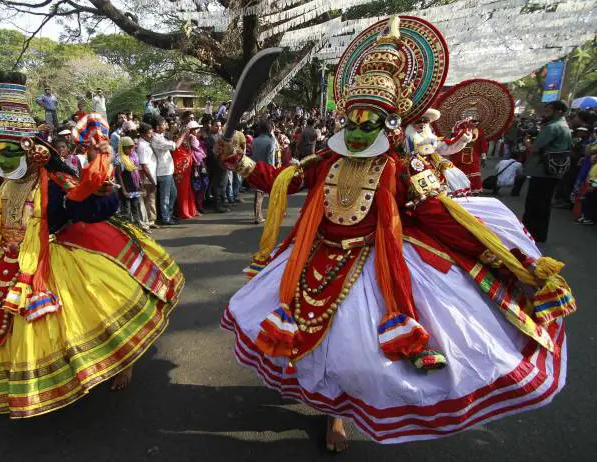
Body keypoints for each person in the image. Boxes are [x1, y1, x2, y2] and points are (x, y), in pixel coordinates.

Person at [215, 16, 573, 450]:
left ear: (390, 124)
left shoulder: (400, 169)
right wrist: (237, 160)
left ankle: (342, 416)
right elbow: (281, 181)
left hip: (376, 263)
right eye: (354, 118)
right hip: (315, 258)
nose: (360, 128)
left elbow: (440, 217)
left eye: (371, 120)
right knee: (321, 350)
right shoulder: (327, 160)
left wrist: (509, 259)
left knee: (359, 359)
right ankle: (332, 412)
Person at [0, 71, 184, 418]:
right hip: (2, 260)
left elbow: (93, 208)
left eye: (9, 150)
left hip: (52, 262)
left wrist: (102, 185)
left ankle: (121, 362)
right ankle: (6, 383)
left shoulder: (54, 182)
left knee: (88, 322)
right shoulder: (2, 185)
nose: (2, 159)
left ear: (33, 150)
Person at [522, 100, 572, 243]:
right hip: (554, 171)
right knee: (544, 204)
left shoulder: (553, 127)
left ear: (559, 111)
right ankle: (539, 234)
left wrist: (526, 141)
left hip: (542, 171)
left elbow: (534, 148)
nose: (545, 114)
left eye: (548, 111)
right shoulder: (564, 126)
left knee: (534, 203)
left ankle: (529, 233)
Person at [404, 108, 472, 196]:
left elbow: (446, 147)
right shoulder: (403, 137)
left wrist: (462, 139)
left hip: (431, 164)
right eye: (418, 121)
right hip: (409, 167)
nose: (422, 124)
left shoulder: (431, 138)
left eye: (426, 121)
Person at [151, 117, 186, 225]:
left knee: (173, 194)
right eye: (164, 123)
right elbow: (175, 146)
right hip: (163, 171)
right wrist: (183, 134)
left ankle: (169, 215)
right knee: (165, 196)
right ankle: (165, 217)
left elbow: (170, 139)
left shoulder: (160, 136)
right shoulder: (156, 139)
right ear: (157, 127)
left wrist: (176, 132)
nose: (166, 124)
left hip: (168, 171)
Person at [448, 113, 487, 194]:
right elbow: (452, 140)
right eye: (472, 121)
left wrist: (483, 156)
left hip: (473, 156)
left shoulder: (479, 130)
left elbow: (482, 143)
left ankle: (474, 190)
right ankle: (459, 190)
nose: (475, 123)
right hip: (458, 155)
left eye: (476, 121)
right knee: (458, 173)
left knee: (474, 172)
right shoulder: (457, 128)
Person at [116, 136, 149, 231]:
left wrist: (141, 186)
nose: (131, 149)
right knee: (127, 210)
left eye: (132, 147)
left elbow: (137, 173)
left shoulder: (133, 156)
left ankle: (137, 229)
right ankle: (129, 232)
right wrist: (124, 191)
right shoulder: (119, 159)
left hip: (134, 188)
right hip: (125, 189)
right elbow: (119, 176)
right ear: (122, 147)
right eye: (128, 147)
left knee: (136, 208)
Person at [172, 121, 202, 220]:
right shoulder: (177, 141)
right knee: (182, 192)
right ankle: (183, 212)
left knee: (189, 190)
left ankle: (191, 210)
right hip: (181, 171)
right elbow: (178, 156)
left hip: (187, 170)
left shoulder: (187, 140)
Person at [250, 119, 277, 223]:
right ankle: (274, 213)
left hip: (256, 168)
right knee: (272, 192)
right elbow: (271, 158)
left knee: (258, 194)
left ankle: (257, 216)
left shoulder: (254, 140)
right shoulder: (271, 141)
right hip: (267, 169)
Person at [205, 119, 230, 213]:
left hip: (223, 164)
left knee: (223, 184)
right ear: (211, 126)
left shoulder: (221, 136)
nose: (219, 128)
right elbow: (212, 153)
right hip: (215, 165)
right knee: (217, 185)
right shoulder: (209, 138)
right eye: (216, 126)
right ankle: (217, 206)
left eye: (220, 126)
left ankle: (222, 203)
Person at [136, 122, 159, 228]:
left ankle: (151, 220)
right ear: (143, 134)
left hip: (151, 175)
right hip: (147, 177)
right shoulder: (142, 146)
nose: (152, 135)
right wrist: (151, 180)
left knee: (151, 199)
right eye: (150, 133)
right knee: (148, 199)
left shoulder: (146, 143)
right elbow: (144, 165)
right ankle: (148, 222)